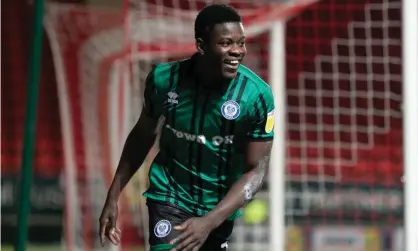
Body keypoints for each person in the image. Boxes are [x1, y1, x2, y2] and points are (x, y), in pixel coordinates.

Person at [99, 4, 275, 251]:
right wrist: (114, 194)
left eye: (241, 43)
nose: (237, 51)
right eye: (226, 43)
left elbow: (255, 170)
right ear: (201, 45)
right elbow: (142, 135)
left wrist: (209, 221)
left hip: (218, 206)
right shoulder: (164, 80)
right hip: (169, 195)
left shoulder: (257, 96)